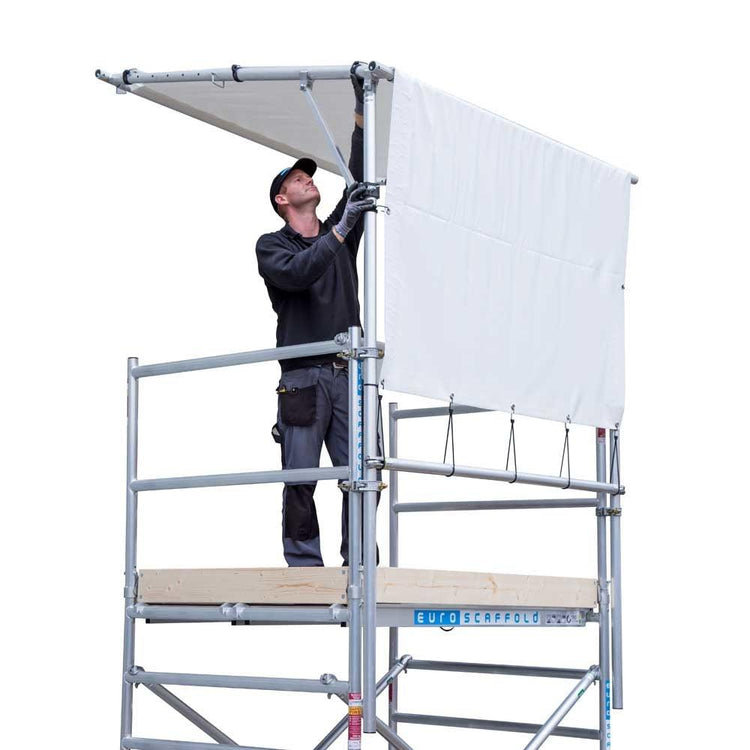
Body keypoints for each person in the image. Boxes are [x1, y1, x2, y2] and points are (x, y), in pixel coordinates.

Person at [256, 70, 377, 567]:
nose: (308, 178)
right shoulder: (272, 246)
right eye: (296, 179)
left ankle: (360, 564)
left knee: (361, 473)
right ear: (283, 199)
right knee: (301, 477)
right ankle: (304, 566)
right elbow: (300, 272)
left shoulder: (339, 235)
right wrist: (341, 231)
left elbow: (358, 175)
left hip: (350, 375)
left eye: (309, 175)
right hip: (303, 379)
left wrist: (361, 109)